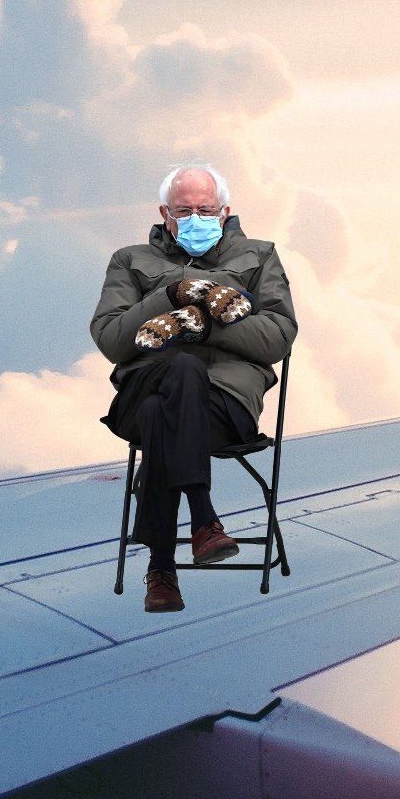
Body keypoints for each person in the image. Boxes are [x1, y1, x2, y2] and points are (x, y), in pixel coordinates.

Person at [91, 164, 297, 613]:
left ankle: (161, 569)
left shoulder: (259, 256)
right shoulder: (129, 261)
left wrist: (202, 327)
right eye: (185, 210)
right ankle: (203, 519)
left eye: (206, 209)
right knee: (176, 374)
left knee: (165, 409)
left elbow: (279, 337)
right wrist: (171, 295)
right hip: (142, 390)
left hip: (224, 406)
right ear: (165, 213)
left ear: (224, 212)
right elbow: (110, 340)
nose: (196, 217)